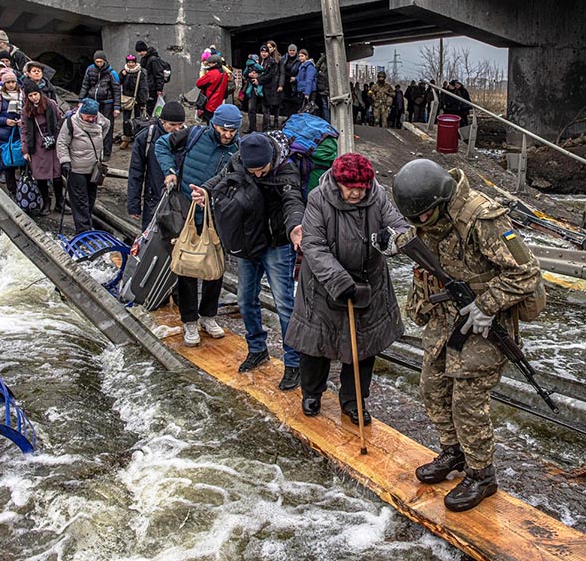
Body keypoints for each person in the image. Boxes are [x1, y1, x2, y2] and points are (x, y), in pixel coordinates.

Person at [392, 158, 544, 512]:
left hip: (485, 326)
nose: (420, 226)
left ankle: (481, 474)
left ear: (441, 202)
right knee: (432, 387)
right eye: (414, 220)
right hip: (446, 321)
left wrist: (487, 304)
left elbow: (526, 273)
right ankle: (453, 452)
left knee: (467, 402)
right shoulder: (427, 217)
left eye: (424, 218)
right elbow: (415, 239)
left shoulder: (483, 219)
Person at [286, 153, 408, 422]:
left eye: (360, 188)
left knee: (362, 347)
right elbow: (313, 245)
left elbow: (398, 225)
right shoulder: (318, 198)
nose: (355, 193)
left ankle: (353, 401)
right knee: (317, 343)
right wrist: (340, 281)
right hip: (323, 283)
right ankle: (312, 392)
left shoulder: (378, 196)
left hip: (369, 283)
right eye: (350, 187)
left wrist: (396, 239)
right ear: (339, 183)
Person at [193, 131, 304, 389]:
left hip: (277, 244)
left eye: (261, 170)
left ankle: (294, 363)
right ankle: (257, 348)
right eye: (251, 170)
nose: (256, 174)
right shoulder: (239, 159)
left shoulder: (286, 170)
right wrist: (205, 192)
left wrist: (296, 225)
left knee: (285, 305)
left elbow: (292, 201)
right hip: (247, 242)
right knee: (245, 299)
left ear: (271, 160)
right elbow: (221, 179)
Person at [157, 103, 241, 346]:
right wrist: (170, 171)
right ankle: (189, 320)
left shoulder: (239, 149)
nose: (227, 135)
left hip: (218, 214)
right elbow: (162, 145)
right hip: (187, 209)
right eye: (223, 130)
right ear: (214, 125)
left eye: (232, 131)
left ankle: (209, 315)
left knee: (215, 265)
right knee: (188, 265)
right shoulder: (194, 135)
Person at [127, 101, 186, 229]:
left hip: (180, 201)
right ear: (162, 121)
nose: (177, 129)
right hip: (154, 198)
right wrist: (133, 205)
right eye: (172, 125)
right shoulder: (147, 137)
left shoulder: (189, 138)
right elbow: (136, 172)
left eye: (180, 125)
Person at [56, 98, 110, 233]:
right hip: (76, 168)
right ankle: (83, 229)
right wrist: (65, 161)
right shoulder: (71, 123)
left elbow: (107, 126)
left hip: (93, 168)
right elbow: (62, 142)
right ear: (82, 113)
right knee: (80, 200)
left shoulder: (100, 120)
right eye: (88, 116)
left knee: (91, 198)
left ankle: (87, 224)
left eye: (93, 116)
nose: (91, 119)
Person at [20, 78, 63, 215]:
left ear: (40, 93)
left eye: (35, 94)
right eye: (30, 96)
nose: (34, 98)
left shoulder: (51, 104)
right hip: (37, 144)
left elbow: (60, 120)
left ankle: (60, 202)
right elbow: (25, 130)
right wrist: (25, 150)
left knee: (57, 175)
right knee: (41, 176)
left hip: (53, 142)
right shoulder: (26, 110)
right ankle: (46, 202)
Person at [0, 70, 25, 197]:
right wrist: (5, 121)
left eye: (13, 82)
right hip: (5, 135)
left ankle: (25, 188)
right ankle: (12, 191)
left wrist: (23, 121)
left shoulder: (23, 96)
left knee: (24, 163)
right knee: (9, 163)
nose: (11, 85)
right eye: (8, 82)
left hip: (21, 134)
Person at [78, 51, 121, 158]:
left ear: (105, 61)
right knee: (92, 125)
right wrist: (81, 100)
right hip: (93, 102)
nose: (99, 63)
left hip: (107, 103)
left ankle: (106, 152)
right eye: (97, 61)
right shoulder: (90, 70)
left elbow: (117, 91)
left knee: (107, 127)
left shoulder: (112, 73)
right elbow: (85, 85)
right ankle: (94, 151)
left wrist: (116, 107)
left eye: (101, 61)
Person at [119, 53, 149, 142]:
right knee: (126, 120)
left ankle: (137, 136)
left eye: (132, 62)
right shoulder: (124, 72)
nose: (131, 64)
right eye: (129, 62)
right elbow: (118, 82)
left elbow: (143, 87)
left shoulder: (141, 72)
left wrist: (143, 102)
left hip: (137, 99)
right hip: (127, 99)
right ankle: (126, 137)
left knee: (138, 119)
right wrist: (122, 75)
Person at [136, 41, 167, 117]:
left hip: (152, 88)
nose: (141, 53)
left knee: (152, 109)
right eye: (139, 52)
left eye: (142, 51)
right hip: (147, 87)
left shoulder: (153, 59)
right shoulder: (144, 59)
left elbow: (159, 74)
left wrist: (159, 89)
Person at [195, 53, 229, 120]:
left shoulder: (212, 74)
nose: (208, 65)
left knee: (210, 122)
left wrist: (202, 73)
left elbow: (199, 83)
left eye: (210, 63)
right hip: (219, 102)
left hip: (210, 103)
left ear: (215, 63)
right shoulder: (224, 74)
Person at [259, 42, 282, 129]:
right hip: (264, 87)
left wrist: (258, 79)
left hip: (271, 87)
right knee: (265, 108)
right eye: (262, 52)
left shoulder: (272, 62)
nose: (263, 53)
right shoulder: (261, 61)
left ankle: (269, 127)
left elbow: (270, 75)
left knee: (271, 107)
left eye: (265, 51)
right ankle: (266, 127)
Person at [242, 52, 264, 133]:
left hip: (263, 87)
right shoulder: (252, 66)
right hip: (252, 89)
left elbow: (268, 74)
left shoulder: (268, 62)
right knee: (251, 109)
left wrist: (258, 76)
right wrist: (249, 74)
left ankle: (264, 128)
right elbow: (245, 74)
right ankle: (252, 128)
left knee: (265, 110)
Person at [281, 43, 302, 116]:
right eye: (290, 50)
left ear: (296, 51)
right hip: (285, 83)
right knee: (286, 104)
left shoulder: (299, 60)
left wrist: (296, 78)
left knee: (294, 105)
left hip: (294, 84)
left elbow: (301, 72)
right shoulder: (283, 58)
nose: (292, 52)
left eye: (293, 50)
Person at [295, 48, 317, 113]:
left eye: (302, 56)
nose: (300, 58)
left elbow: (309, 80)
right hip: (302, 90)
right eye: (299, 56)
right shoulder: (302, 66)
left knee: (308, 110)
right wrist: (295, 78)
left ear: (306, 56)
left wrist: (307, 93)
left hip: (308, 91)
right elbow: (300, 78)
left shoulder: (310, 67)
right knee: (303, 110)